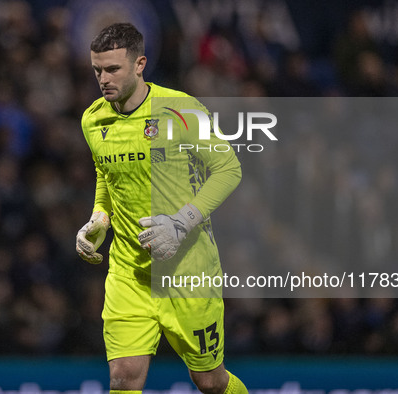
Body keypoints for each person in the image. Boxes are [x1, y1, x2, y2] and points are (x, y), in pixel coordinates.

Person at [75, 23, 247, 394]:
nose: (103, 79)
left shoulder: (181, 109)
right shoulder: (94, 119)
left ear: (140, 64)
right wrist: (99, 217)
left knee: (210, 382)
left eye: (113, 69)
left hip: (187, 269)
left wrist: (181, 223)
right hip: (129, 272)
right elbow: (106, 174)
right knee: (123, 378)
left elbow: (228, 168)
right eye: (97, 70)